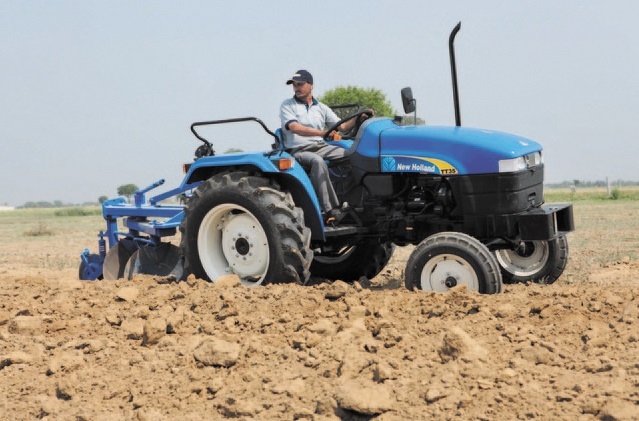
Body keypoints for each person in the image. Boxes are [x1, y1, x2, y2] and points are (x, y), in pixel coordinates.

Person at [279, 69, 367, 225]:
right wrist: (322, 132)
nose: (296, 88)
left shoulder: (321, 108)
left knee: (354, 155)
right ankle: (330, 210)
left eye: (300, 84)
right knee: (317, 161)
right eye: (294, 85)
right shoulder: (288, 105)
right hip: (298, 150)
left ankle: (350, 202)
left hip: (320, 146)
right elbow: (294, 128)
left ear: (311, 85)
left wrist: (359, 118)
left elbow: (343, 126)